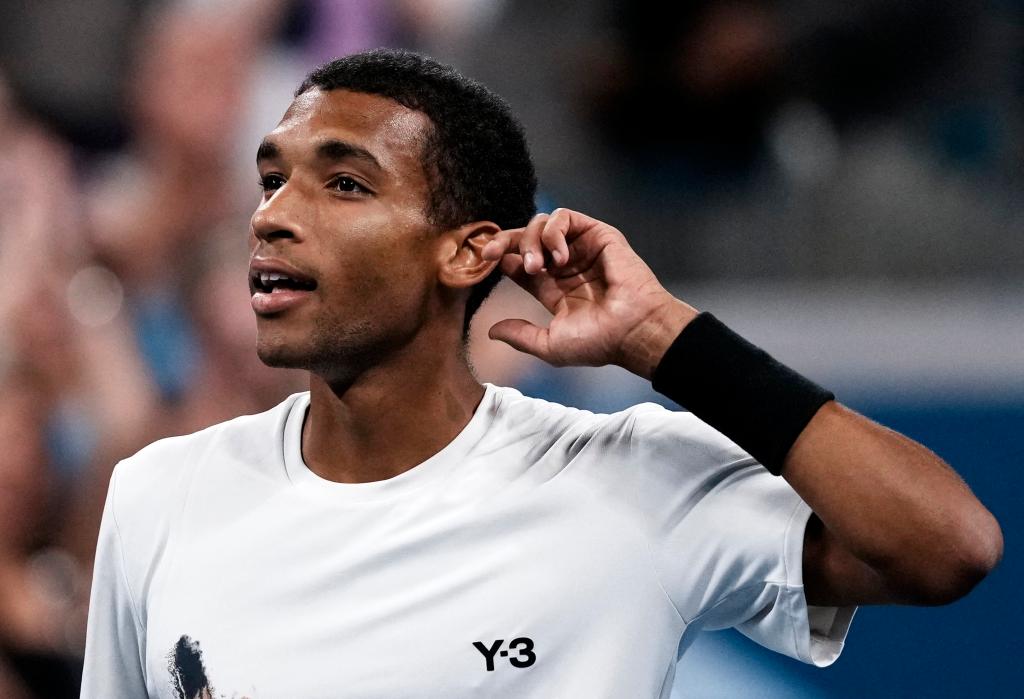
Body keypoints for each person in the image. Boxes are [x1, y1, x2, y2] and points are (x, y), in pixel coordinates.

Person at [80, 49, 1002, 698]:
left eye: (345, 183)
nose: (272, 215)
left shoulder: (630, 480)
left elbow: (947, 546)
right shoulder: (158, 494)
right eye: (271, 179)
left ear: (467, 252)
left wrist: (665, 337)